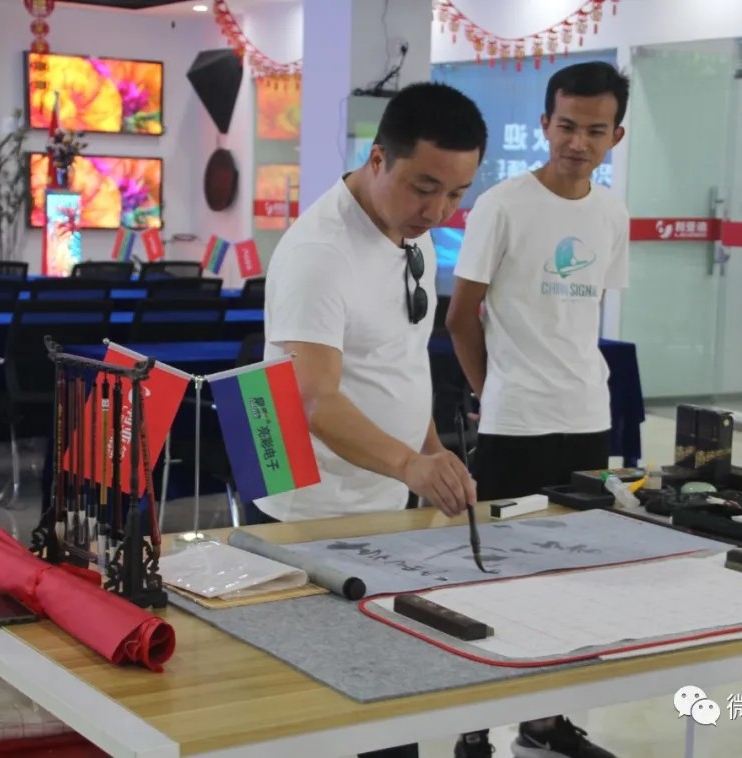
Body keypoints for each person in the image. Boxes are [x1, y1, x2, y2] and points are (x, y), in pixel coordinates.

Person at [253, 82, 488, 758]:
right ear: (378, 158)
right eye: (424, 188)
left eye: (456, 194)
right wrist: (412, 464)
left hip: (383, 499)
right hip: (310, 510)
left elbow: (399, 361)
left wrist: (432, 452)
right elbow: (314, 400)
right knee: (317, 712)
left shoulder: (414, 237)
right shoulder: (319, 252)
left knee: (387, 696)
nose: (437, 211)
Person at [445, 61, 630, 758]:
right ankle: (474, 724)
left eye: (595, 130)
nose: (577, 142)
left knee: (571, 573)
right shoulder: (501, 205)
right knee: (495, 573)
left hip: (586, 418)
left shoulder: (611, 213)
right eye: (566, 126)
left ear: (615, 136)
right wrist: (494, 393)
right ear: (545, 124)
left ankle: (546, 721)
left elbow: (585, 315)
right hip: (515, 422)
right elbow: (461, 317)